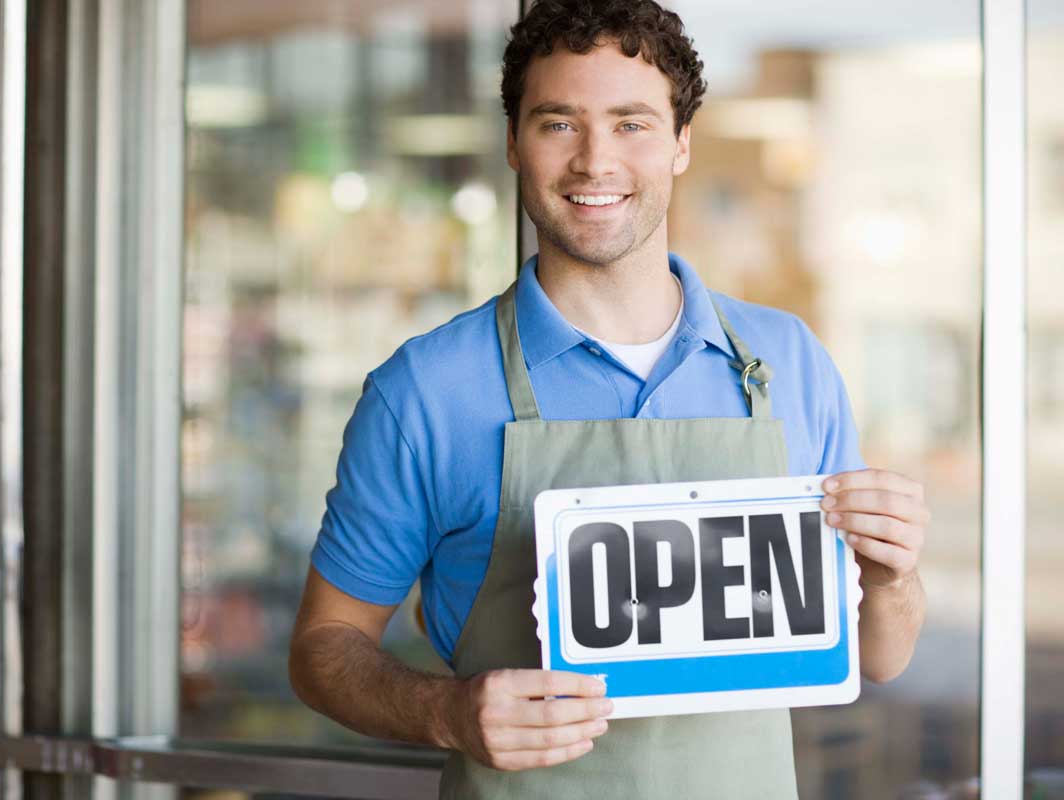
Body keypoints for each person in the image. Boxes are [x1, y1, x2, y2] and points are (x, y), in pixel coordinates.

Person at [288, 0, 929, 797]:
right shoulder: (423, 390)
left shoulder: (787, 359)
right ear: (514, 143)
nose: (596, 161)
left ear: (681, 144)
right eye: (559, 123)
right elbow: (324, 646)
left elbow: (880, 655)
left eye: (632, 123)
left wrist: (893, 576)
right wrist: (445, 712)